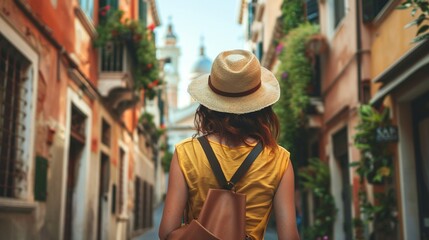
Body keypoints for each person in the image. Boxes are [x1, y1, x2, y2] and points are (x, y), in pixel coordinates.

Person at [159, 49, 299, 240]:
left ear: (209, 103)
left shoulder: (186, 153)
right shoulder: (280, 159)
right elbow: (289, 237)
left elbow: (167, 233)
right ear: (260, 105)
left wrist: (209, 227)